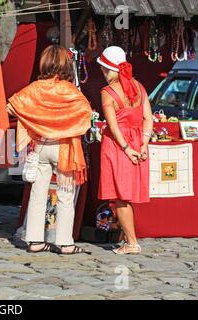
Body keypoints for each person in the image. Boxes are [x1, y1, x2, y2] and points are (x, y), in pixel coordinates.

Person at [7, 45, 92, 255]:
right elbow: (85, 115)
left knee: (37, 194)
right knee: (65, 194)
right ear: (65, 65)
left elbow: (12, 106)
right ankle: (65, 243)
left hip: (41, 145)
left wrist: (35, 120)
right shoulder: (70, 91)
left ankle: (35, 241)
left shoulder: (35, 88)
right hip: (64, 146)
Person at [97, 46, 153, 255]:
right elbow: (148, 118)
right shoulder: (139, 86)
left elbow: (112, 126)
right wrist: (143, 143)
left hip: (118, 146)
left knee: (120, 197)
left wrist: (127, 148)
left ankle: (131, 242)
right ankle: (128, 239)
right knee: (126, 195)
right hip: (138, 142)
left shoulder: (107, 92)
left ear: (107, 69)